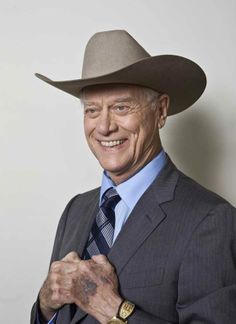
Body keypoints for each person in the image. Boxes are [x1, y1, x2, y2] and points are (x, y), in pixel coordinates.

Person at [31, 30, 236, 324]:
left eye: (121, 107)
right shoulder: (75, 210)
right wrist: (45, 304)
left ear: (161, 111)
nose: (103, 127)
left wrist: (113, 309)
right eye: (92, 110)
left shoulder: (211, 220)